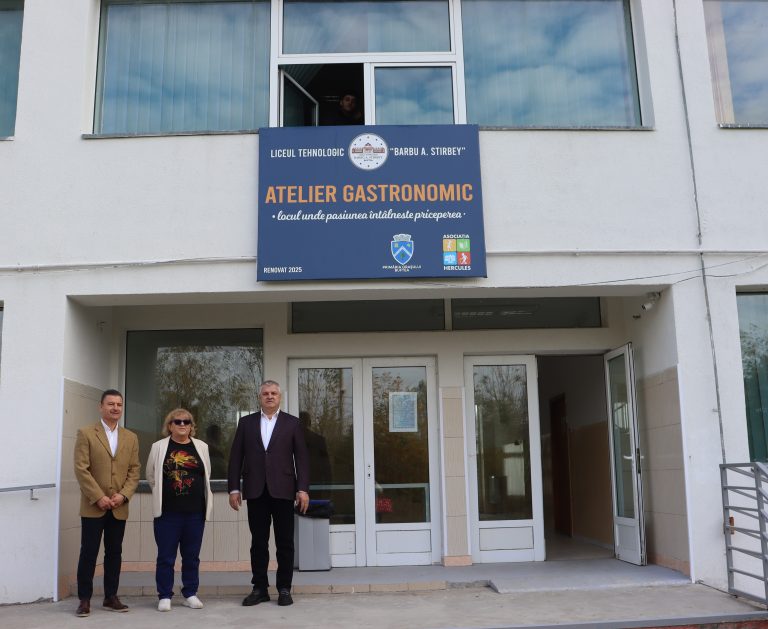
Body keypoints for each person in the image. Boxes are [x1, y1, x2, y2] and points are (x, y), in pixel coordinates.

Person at [228, 380, 310, 607]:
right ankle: (260, 588)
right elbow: (236, 457)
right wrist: (234, 488)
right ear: (260, 397)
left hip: (284, 491)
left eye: (274, 393)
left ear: (279, 397)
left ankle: (284, 588)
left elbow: (301, 458)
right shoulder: (246, 423)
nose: (270, 396)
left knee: (285, 543)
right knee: (258, 543)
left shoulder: (292, 423)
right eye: (266, 393)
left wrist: (302, 489)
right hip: (256, 491)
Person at [73, 389, 140, 617]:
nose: (115, 408)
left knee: (114, 553)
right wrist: (98, 496)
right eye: (110, 404)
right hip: (94, 506)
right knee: (88, 553)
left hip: (119, 506)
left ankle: (111, 597)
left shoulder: (131, 437)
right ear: (100, 406)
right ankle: (84, 599)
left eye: (119, 404)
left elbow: (134, 470)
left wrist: (124, 495)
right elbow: (81, 469)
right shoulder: (86, 433)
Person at [146, 408, 213, 612]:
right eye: (177, 421)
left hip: (195, 513)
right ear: (170, 425)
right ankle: (164, 595)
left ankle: (190, 593)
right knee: (166, 557)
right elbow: (150, 476)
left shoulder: (201, 447)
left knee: (191, 556)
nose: (182, 424)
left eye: (187, 421)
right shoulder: (158, 447)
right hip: (167, 513)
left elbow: (206, 474)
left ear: (192, 426)